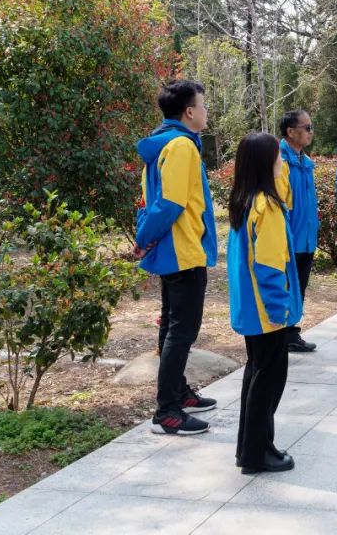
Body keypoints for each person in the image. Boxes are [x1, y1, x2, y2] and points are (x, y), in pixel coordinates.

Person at [134, 79, 218, 436]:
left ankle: (177, 393)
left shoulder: (165, 144)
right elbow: (170, 202)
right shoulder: (182, 146)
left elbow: (154, 200)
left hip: (172, 248)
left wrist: (145, 239)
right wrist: (144, 238)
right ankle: (167, 411)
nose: (206, 110)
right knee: (181, 331)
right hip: (183, 250)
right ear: (188, 112)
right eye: (203, 104)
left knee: (172, 326)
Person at [227, 132, 301, 473]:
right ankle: (258, 454)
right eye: (278, 158)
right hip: (267, 311)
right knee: (268, 382)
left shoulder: (244, 201)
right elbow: (270, 267)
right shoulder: (267, 208)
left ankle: (250, 448)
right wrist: (279, 310)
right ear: (265, 163)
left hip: (251, 309)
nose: (282, 162)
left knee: (256, 375)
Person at [278, 109, 319, 353]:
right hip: (288, 240)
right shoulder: (279, 160)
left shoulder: (304, 161)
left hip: (306, 238)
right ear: (290, 132)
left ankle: (291, 333)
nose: (310, 132)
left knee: (298, 288)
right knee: (284, 287)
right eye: (307, 128)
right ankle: (280, 334)